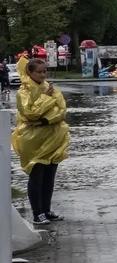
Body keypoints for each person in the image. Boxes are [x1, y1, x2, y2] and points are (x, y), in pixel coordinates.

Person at [11, 57, 69, 225]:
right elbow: (30, 113)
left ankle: (46, 210)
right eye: (39, 72)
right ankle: (37, 213)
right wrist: (46, 100)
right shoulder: (24, 91)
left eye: (45, 71)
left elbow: (62, 110)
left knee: (49, 176)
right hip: (33, 139)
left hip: (53, 136)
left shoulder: (49, 88)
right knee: (37, 175)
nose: (43, 75)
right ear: (30, 72)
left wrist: (45, 120)